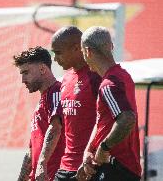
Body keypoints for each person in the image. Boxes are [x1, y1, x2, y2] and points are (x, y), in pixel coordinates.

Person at [78, 26, 141, 181]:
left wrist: (104, 148)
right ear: (111, 46)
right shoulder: (123, 76)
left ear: (88, 51)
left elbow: (127, 118)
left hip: (116, 168)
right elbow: (102, 122)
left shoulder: (108, 84)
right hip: (121, 168)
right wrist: (89, 151)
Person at [51, 26, 102, 181]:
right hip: (65, 166)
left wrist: (92, 157)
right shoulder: (65, 79)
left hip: (88, 168)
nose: (55, 58)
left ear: (75, 49)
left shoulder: (96, 76)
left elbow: (107, 121)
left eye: (58, 52)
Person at [13, 46, 65, 181]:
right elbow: (32, 149)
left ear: (42, 69)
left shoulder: (56, 91)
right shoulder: (42, 102)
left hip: (53, 176)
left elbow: (56, 128)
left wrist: (42, 165)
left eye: (26, 72)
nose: (23, 80)